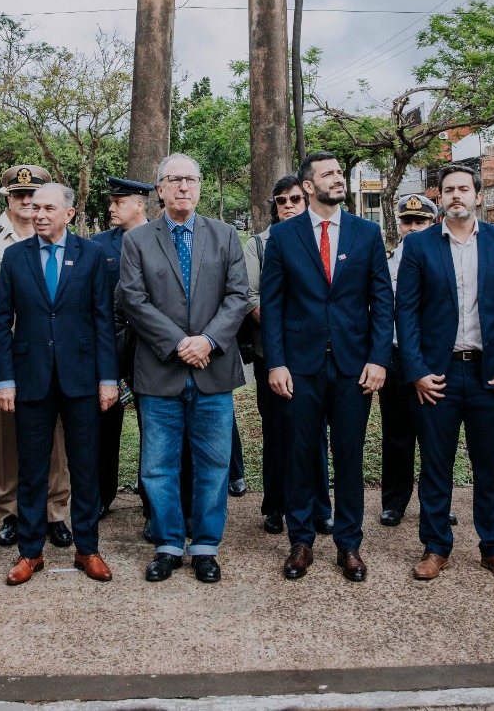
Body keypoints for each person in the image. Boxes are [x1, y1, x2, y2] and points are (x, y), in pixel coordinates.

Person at [260, 152, 394, 583]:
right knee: (300, 454)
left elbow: (382, 302)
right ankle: (301, 542)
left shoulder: (367, 233)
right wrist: (276, 363)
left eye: (340, 172)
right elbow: (274, 305)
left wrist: (378, 358)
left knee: (350, 456)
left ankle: (349, 544)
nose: (339, 179)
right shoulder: (283, 237)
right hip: (299, 366)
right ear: (309, 185)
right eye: (329, 174)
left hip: (355, 366)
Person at [395, 166, 494, 584]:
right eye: (449, 189)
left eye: (464, 189)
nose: (457, 195)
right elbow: (407, 311)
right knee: (436, 464)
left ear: (478, 195)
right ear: (441, 196)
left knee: (489, 465)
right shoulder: (419, 245)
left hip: (491, 375)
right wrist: (417, 370)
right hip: (439, 376)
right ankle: (436, 547)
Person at [119, 154, 250, 583]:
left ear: (199, 187)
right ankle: (169, 544)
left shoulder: (226, 234)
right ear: (159, 189)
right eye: (174, 180)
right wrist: (178, 343)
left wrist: (208, 340)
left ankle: (207, 546)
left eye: (190, 180)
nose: (183, 187)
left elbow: (238, 295)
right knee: (158, 465)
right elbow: (133, 301)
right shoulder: (138, 240)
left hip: (213, 368)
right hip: (160, 370)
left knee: (213, 464)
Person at [0, 182, 118, 585]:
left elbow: (104, 320)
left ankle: (88, 549)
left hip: (82, 378)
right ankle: (30, 553)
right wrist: (5, 378)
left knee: (84, 467)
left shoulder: (93, 254)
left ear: (69, 214)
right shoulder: (15, 256)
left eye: (48, 207)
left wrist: (108, 378)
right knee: (32, 469)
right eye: (34, 207)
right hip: (30, 379)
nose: (38, 213)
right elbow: (0, 323)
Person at [0, 165, 73, 549]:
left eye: (36, 196)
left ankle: (54, 511)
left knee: (56, 436)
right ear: (7, 198)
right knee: (6, 434)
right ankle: (11, 510)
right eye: (19, 196)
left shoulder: (62, 235)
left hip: (51, 351)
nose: (28, 203)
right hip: (3, 349)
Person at [242, 175, 332, 536]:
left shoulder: (323, 238)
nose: (289, 205)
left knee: (317, 435)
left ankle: (320, 507)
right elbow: (250, 296)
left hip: (318, 356)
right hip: (274, 355)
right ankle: (275, 505)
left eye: (296, 198)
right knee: (278, 433)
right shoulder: (260, 245)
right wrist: (289, 326)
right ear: (274, 207)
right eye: (282, 201)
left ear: (307, 199)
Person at [90, 175, 152, 519]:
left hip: (148, 349)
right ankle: (102, 495)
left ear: (139, 204)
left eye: (118, 202)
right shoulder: (99, 244)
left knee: (153, 426)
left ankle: (150, 496)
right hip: (109, 349)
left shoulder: (160, 239)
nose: (111, 208)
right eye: (111, 202)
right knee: (105, 426)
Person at [379, 193, 439, 527]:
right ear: (399, 225)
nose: (414, 228)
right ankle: (394, 501)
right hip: (397, 357)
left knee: (435, 435)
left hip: (434, 358)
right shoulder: (387, 264)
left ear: (433, 223)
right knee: (397, 433)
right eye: (408, 222)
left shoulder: (445, 260)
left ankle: (437, 502)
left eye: (421, 221)